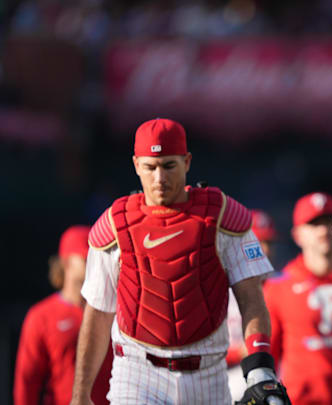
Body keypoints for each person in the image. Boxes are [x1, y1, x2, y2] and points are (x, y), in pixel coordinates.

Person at [70, 118, 289, 405]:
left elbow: (251, 297)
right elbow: (97, 314)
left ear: (186, 162)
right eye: (150, 167)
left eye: (168, 165)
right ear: (136, 165)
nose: (159, 178)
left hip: (208, 373)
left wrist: (260, 367)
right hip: (137, 373)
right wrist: (80, 393)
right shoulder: (114, 224)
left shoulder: (222, 215)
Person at [263, 192, 332, 405]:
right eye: (314, 224)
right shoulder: (279, 287)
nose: (324, 230)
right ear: (297, 235)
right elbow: (269, 355)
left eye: (330, 221)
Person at [15, 226, 113, 405]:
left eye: (95, 258)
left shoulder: (111, 310)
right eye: (86, 258)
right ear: (66, 262)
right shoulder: (41, 316)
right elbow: (27, 381)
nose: (93, 264)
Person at [227, 209, 279, 401]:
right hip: (225, 373)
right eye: (258, 243)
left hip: (271, 371)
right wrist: (238, 352)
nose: (264, 250)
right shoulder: (221, 289)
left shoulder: (283, 284)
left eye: (268, 242)